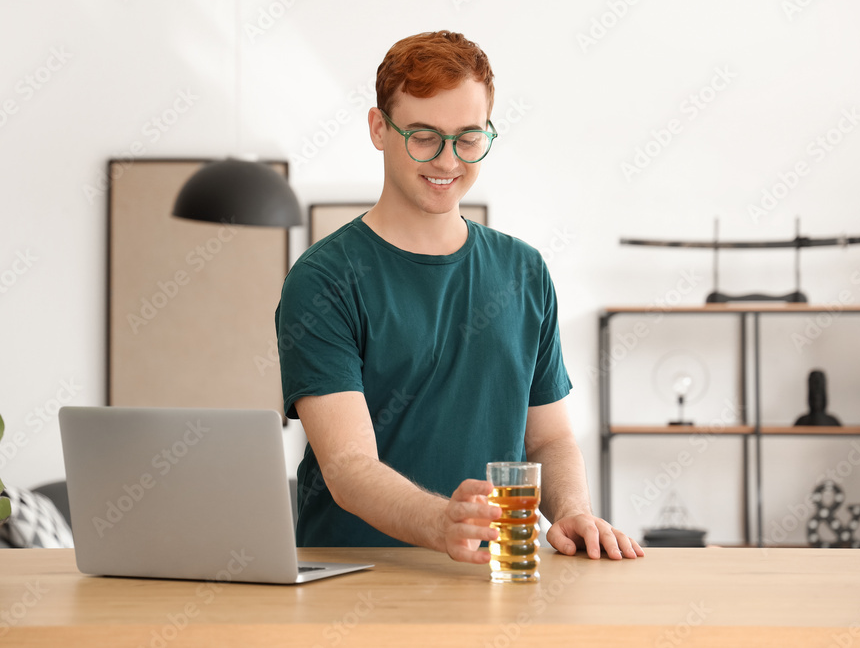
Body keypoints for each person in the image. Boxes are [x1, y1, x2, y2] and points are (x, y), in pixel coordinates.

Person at [275, 30, 643, 564]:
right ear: (380, 129)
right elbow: (349, 469)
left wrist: (571, 512)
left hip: (492, 578)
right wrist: (440, 522)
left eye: (468, 137)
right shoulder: (325, 278)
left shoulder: (524, 271)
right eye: (423, 135)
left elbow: (548, 440)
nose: (448, 160)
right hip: (352, 581)